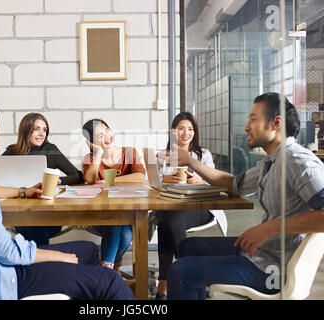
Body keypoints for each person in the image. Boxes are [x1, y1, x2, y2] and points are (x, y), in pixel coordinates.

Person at [0, 98, 134, 300]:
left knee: (89, 250)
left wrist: (22, 191)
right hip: (6, 274)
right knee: (109, 280)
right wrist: (60, 257)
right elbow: (7, 251)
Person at [159, 92, 324, 300]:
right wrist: (192, 163)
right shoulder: (271, 161)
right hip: (263, 252)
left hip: (275, 269)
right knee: (188, 246)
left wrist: (271, 227)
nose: (246, 126)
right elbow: (233, 184)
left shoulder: (298, 161)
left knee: (181, 271)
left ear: (276, 123)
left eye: (253, 119)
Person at [153, 112, 227, 300]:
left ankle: (168, 281)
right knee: (168, 219)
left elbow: (216, 184)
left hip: (200, 208)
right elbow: (153, 186)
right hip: (171, 207)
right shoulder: (164, 156)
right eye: (181, 129)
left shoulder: (204, 155)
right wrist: (165, 179)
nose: (186, 133)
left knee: (168, 220)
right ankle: (184, 276)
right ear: (173, 132)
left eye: (190, 129)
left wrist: (199, 180)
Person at [0, 112, 84, 246]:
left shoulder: (50, 150)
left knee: (29, 226)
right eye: (36, 129)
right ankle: (41, 259)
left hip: (48, 214)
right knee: (26, 222)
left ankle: (35, 259)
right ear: (26, 130)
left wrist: (57, 181)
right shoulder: (12, 152)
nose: (41, 133)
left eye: (44, 130)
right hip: (20, 212)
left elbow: (78, 176)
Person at [82, 119, 146, 272]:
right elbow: (90, 179)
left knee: (124, 232)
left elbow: (139, 176)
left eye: (107, 130)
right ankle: (112, 269)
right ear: (92, 143)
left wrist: (108, 181)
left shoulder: (129, 152)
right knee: (117, 221)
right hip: (100, 215)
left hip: (128, 214)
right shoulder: (89, 159)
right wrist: (98, 154)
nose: (107, 136)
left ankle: (107, 271)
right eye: (100, 136)